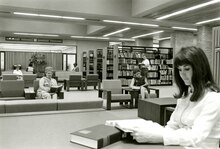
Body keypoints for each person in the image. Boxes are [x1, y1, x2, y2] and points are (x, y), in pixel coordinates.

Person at [129, 46, 220, 149]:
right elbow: (172, 126)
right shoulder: (185, 96)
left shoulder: (214, 99)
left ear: (200, 69)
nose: (182, 74)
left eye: (187, 69)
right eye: (179, 70)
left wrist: (159, 137)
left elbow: (196, 136)